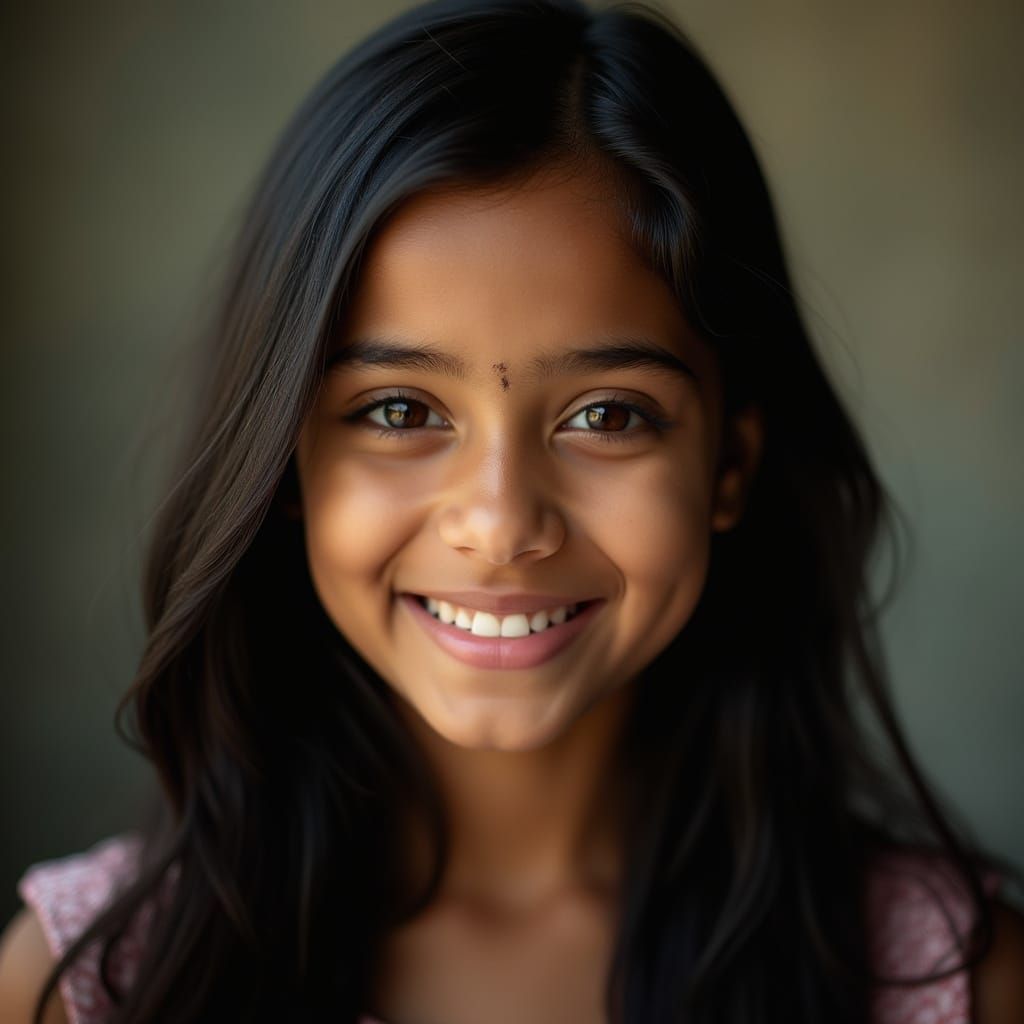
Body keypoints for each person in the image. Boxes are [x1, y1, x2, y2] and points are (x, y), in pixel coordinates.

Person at [1, 0, 1022, 1021]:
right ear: (285, 463)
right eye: (398, 410)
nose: (498, 524)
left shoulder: (944, 979)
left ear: (728, 466)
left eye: (608, 415)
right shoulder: (96, 982)